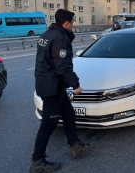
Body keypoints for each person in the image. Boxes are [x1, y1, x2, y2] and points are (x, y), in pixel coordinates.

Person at [31, 9, 96, 173]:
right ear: (67, 23)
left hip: (51, 84)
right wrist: (75, 85)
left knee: (68, 114)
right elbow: (62, 66)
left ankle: (75, 146)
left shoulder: (47, 35)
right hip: (52, 87)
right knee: (48, 123)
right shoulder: (60, 38)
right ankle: (38, 161)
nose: (72, 25)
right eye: (72, 23)